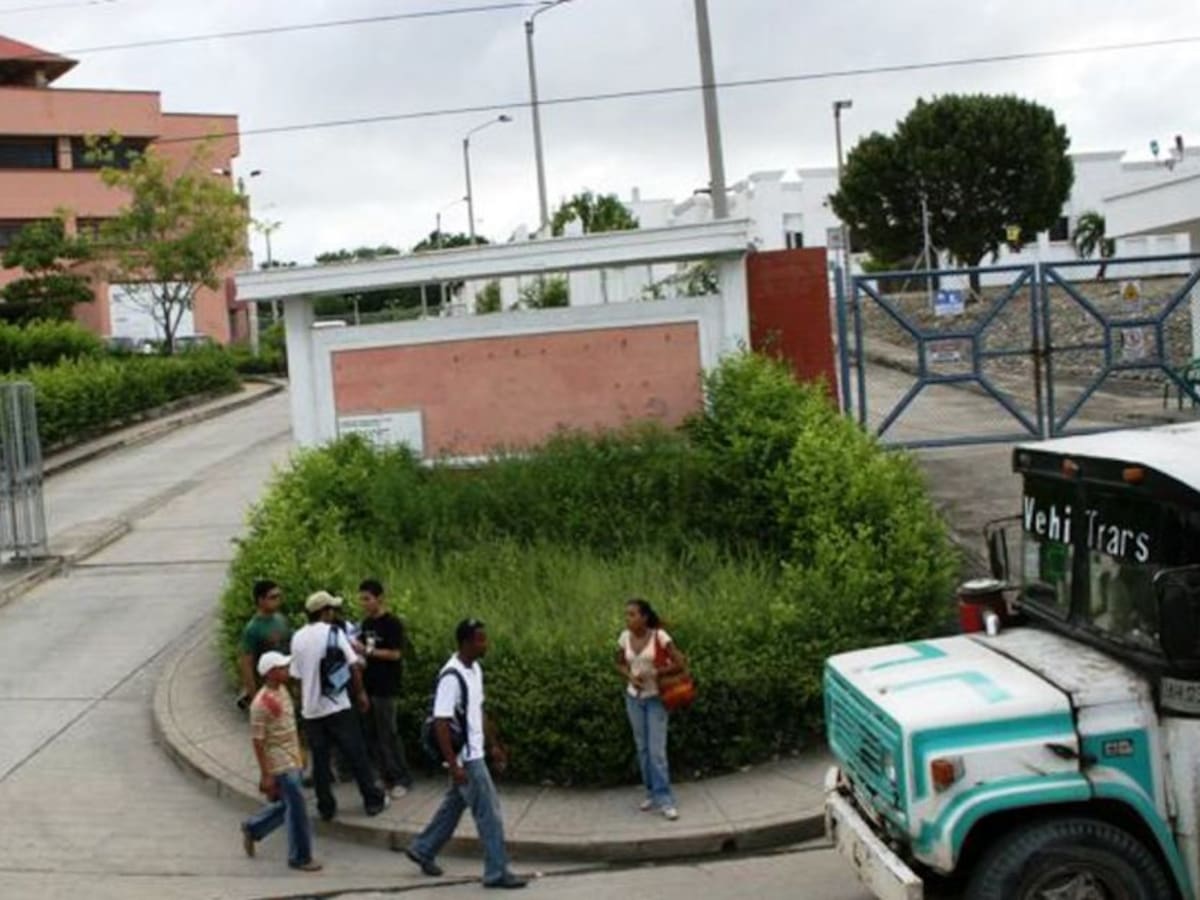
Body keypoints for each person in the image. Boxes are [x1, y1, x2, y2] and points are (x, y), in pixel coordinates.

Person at [403, 618, 527, 890]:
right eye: (480, 639)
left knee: (455, 804)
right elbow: (441, 722)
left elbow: (477, 710)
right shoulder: (451, 676)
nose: (485, 644)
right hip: (466, 759)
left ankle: (424, 848)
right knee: (489, 814)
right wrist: (453, 764)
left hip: (474, 752)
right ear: (466, 643)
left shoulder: (474, 670)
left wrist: (492, 745)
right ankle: (497, 872)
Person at [289, 590, 388, 821]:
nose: (334, 613)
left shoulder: (298, 638)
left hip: (311, 710)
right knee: (356, 754)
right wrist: (361, 693)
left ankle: (326, 807)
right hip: (338, 706)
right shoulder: (334, 632)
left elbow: (296, 677)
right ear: (324, 612)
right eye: (331, 608)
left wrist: (301, 702)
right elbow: (353, 665)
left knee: (321, 761)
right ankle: (372, 800)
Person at [240, 651, 321, 872]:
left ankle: (254, 827)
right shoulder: (260, 704)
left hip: (292, 758)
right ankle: (300, 857)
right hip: (281, 765)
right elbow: (258, 741)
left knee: (288, 805)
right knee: (297, 811)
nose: (287, 670)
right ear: (271, 673)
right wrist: (266, 774)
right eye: (282, 667)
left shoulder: (283, 690)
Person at [615, 598, 684, 820]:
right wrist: (630, 677)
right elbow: (619, 662)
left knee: (656, 751)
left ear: (644, 617)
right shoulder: (624, 637)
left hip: (656, 698)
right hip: (634, 698)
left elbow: (680, 662)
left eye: (633, 614)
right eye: (627, 615)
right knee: (642, 749)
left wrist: (657, 673)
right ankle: (651, 792)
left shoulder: (659, 636)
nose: (628, 619)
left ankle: (665, 798)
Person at [357, 578, 414, 797]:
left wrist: (368, 652)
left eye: (367, 599)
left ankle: (402, 777)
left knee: (388, 733)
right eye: (361, 599)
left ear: (379, 598)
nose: (364, 603)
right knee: (372, 734)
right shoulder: (366, 624)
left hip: (386, 687)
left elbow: (395, 654)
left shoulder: (392, 624)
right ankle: (385, 776)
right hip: (369, 685)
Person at [237, 580, 292, 710]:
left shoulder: (281, 619)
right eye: (273, 597)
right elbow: (246, 664)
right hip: (266, 687)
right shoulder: (253, 629)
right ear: (260, 600)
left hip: (285, 686)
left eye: (279, 596)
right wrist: (254, 695)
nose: (278, 600)